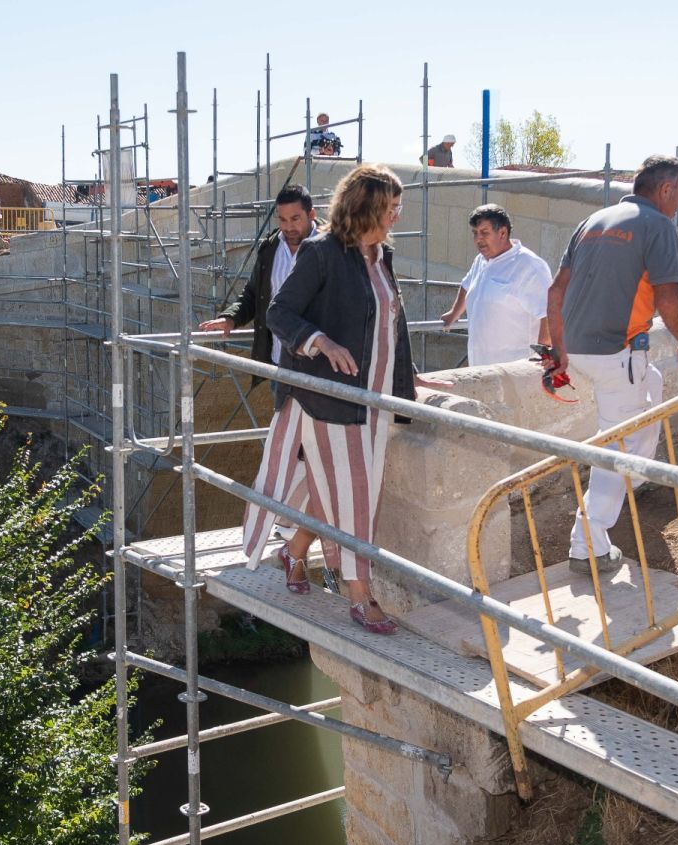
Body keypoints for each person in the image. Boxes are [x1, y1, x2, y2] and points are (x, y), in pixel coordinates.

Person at [241, 164, 445, 633]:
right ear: (365, 208)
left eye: (398, 208)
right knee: (354, 496)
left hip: (371, 400)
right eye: (390, 208)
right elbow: (279, 312)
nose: (396, 217)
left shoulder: (381, 254)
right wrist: (320, 341)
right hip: (325, 398)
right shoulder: (321, 252)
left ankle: (292, 552)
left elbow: (389, 323)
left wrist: (408, 377)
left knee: (329, 490)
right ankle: (360, 595)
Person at [544, 154, 678, 572]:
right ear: (665, 190)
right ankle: (587, 546)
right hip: (616, 353)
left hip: (582, 351)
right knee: (616, 448)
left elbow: (556, 291)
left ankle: (633, 474)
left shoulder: (593, 221)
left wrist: (559, 349)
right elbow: (668, 296)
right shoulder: (658, 226)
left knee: (649, 391)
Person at [198, 185, 320, 374]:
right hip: (280, 363)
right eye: (282, 220)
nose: (288, 227)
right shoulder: (271, 248)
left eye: (295, 219)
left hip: (320, 366)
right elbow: (254, 294)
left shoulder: (332, 248)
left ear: (311, 214)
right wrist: (231, 318)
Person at [439, 204, 553, 367]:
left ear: (503, 233)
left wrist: (544, 355)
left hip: (515, 370)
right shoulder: (481, 260)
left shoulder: (528, 265)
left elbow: (549, 311)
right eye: (475, 233)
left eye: (484, 233)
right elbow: (466, 285)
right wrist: (453, 313)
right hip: (480, 366)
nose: (478, 239)